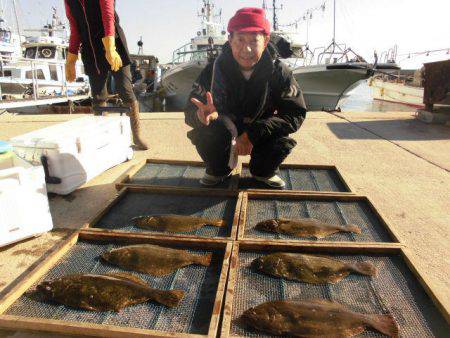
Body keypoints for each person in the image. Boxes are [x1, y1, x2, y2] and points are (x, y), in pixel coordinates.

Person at [184, 7, 307, 188]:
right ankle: (218, 170)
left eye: (253, 40)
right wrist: (201, 116)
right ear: (230, 40)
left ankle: (263, 172)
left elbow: (295, 114)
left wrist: (253, 133)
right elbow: (191, 110)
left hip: (261, 127)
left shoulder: (279, 72)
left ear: (265, 41)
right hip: (225, 125)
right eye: (240, 39)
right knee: (205, 132)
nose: (246, 48)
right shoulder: (212, 70)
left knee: (280, 137)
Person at [64, 0, 148, 150]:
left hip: (113, 42)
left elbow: (108, 15)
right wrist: (71, 57)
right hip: (91, 50)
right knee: (98, 96)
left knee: (125, 90)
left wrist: (110, 48)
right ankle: (104, 137)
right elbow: (75, 29)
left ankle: (137, 136)